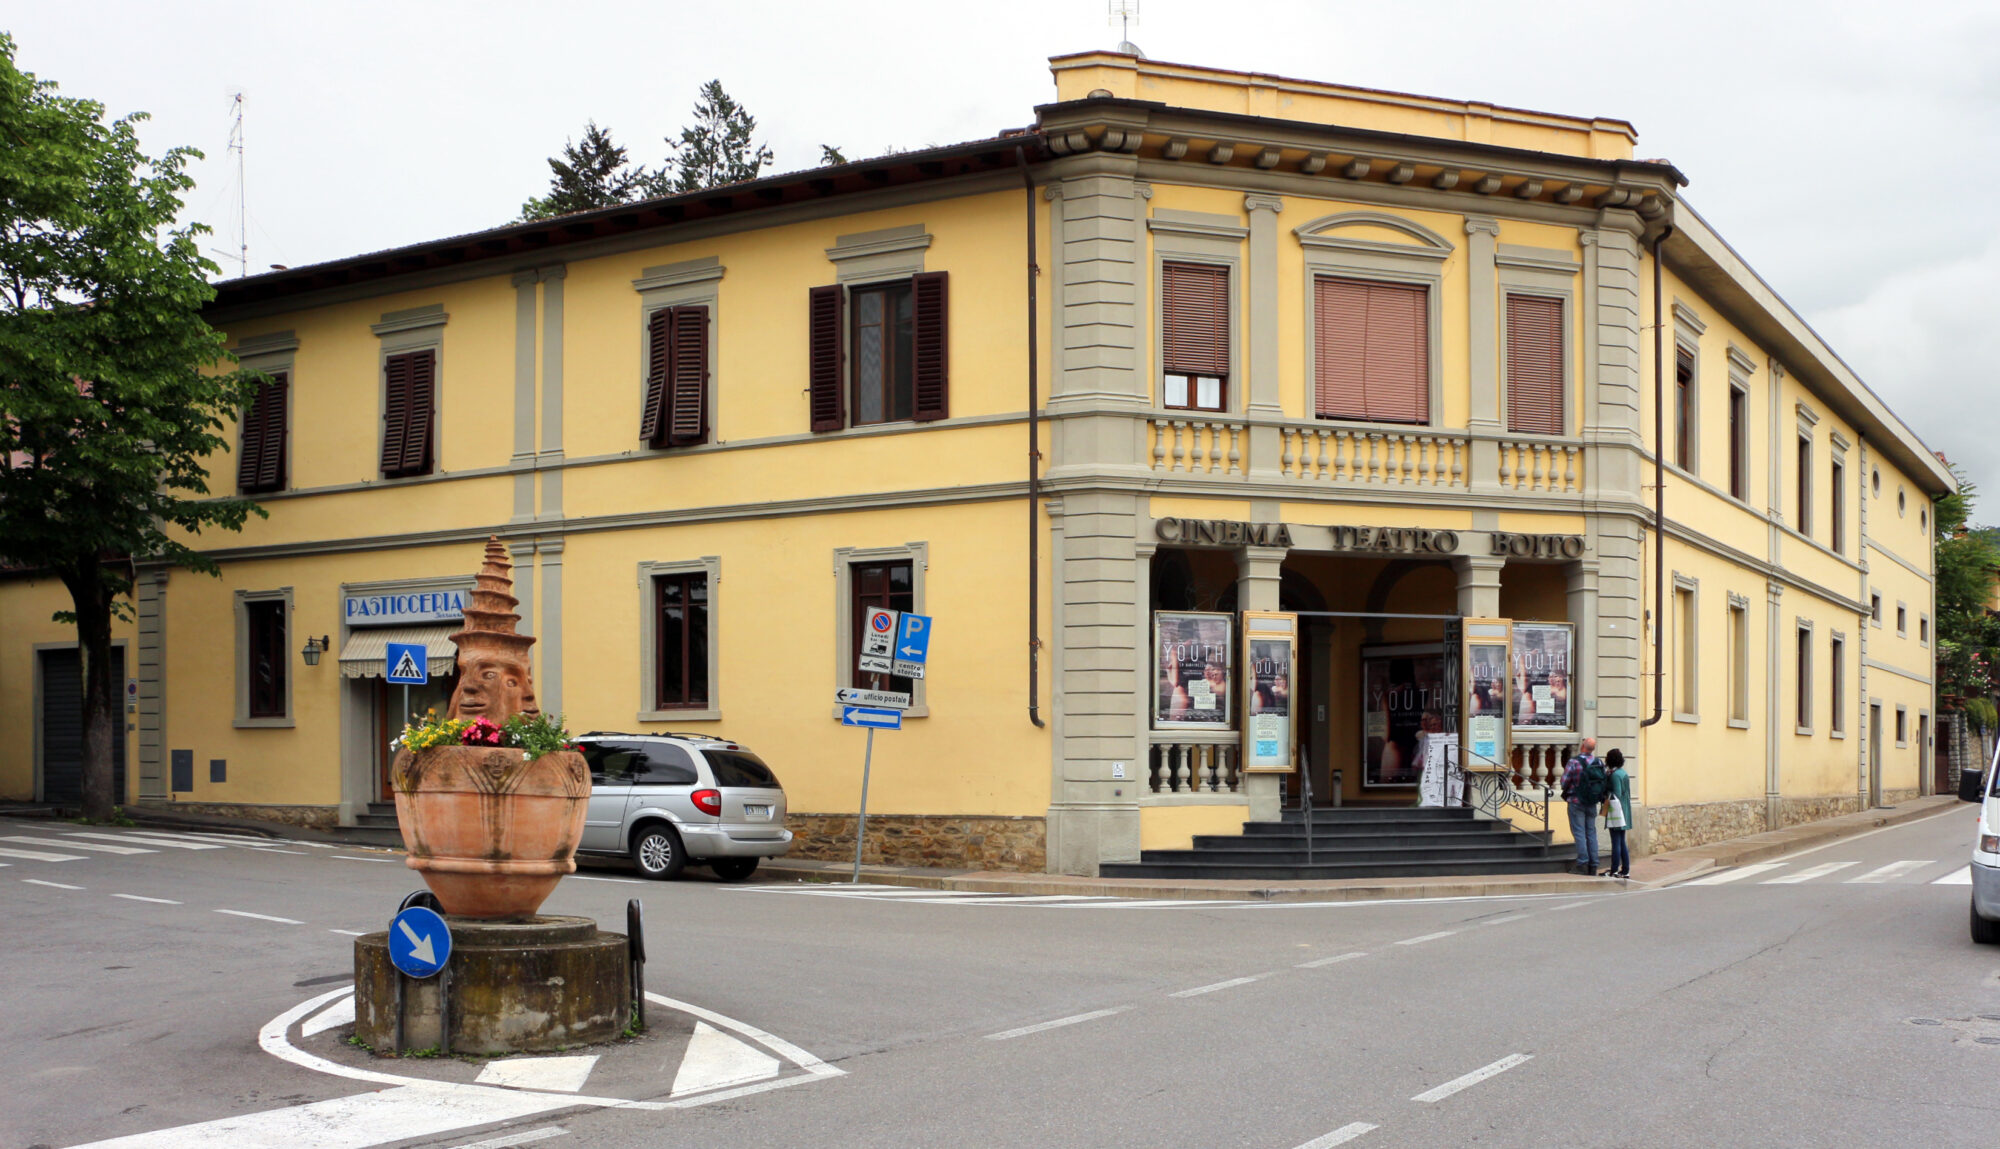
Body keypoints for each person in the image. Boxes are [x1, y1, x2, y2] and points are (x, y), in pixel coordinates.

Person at [1558, 737, 1606, 875]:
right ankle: (1594, 865)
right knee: (1591, 832)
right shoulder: (1599, 762)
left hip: (1576, 801)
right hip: (1592, 802)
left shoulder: (1574, 762)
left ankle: (1582, 863)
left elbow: (1564, 782)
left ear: (1582, 746)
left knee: (1579, 832)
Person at [1603, 748, 1632, 878]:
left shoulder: (1614, 775)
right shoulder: (1622, 772)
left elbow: (1616, 794)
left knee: (1615, 841)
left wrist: (1606, 794)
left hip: (1616, 810)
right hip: (1624, 809)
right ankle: (1625, 870)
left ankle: (1614, 870)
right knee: (1621, 841)